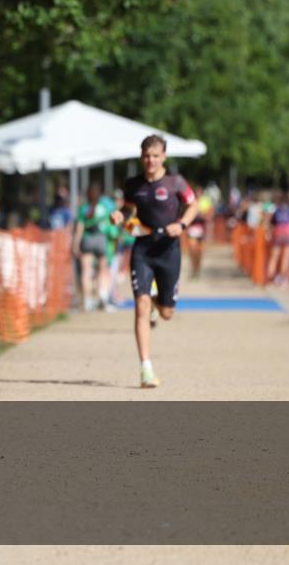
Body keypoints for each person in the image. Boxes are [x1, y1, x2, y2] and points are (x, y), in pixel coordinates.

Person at [110, 135, 198, 388]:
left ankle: (159, 304)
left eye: (156, 156)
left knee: (167, 312)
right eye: (147, 156)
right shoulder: (133, 184)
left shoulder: (175, 182)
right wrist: (120, 215)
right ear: (141, 156)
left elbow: (193, 207)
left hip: (169, 249)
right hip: (143, 250)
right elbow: (128, 211)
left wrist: (181, 225)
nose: (151, 160)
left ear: (164, 157)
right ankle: (145, 368)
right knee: (141, 305)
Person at [74, 183, 116, 312]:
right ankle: (101, 297)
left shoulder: (83, 209)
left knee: (86, 270)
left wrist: (76, 243)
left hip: (87, 239)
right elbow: (111, 224)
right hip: (101, 239)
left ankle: (87, 300)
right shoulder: (105, 207)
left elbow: (79, 228)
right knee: (102, 270)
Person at [267, 189, 289, 285]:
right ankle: (281, 278)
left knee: (274, 256)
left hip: (278, 233)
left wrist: (269, 233)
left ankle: (270, 277)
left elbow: (272, 223)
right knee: (285, 258)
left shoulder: (277, 209)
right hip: (288, 234)